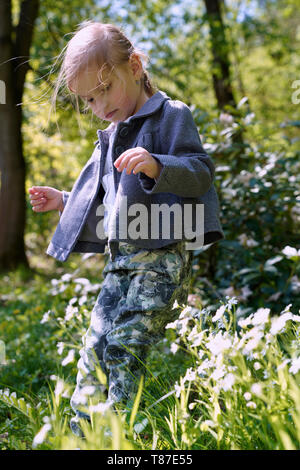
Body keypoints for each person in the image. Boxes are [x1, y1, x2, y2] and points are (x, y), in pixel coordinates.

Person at [28, 21, 224, 437]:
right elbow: (104, 193)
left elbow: (201, 172)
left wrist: (158, 165)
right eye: (89, 99)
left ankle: (121, 434)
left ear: (134, 66)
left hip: (161, 261)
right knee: (93, 348)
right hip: (119, 264)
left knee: (124, 344)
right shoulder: (113, 134)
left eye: (105, 89)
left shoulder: (172, 116)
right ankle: (83, 438)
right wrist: (65, 199)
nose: (99, 105)